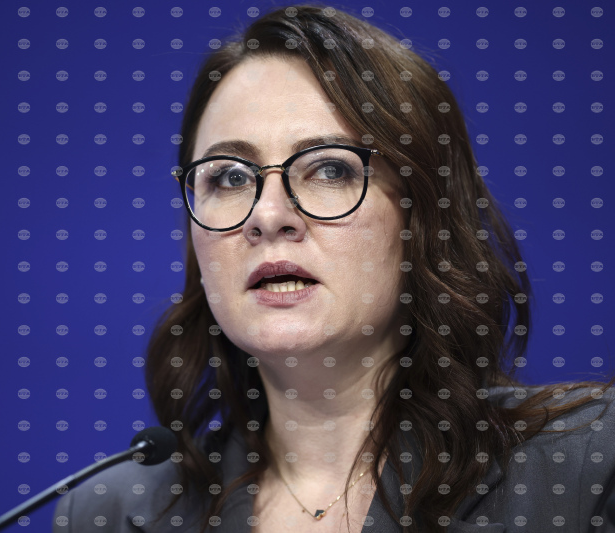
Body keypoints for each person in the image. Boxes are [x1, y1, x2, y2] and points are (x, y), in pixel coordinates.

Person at [53, 4, 615, 532]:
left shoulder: (586, 469)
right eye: (229, 177)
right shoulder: (108, 512)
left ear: (422, 216)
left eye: (329, 170)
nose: (268, 216)